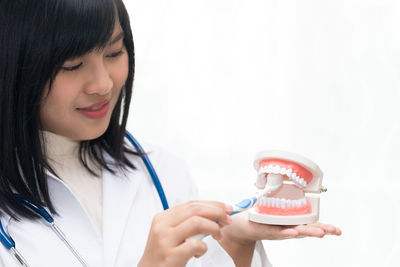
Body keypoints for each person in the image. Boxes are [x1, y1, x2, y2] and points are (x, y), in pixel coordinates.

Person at [0, 0, 341, 266]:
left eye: (114, 52)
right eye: (72, 66)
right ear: (15, 63)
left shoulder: (163, 173)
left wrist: (236, 242)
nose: (103, 84)